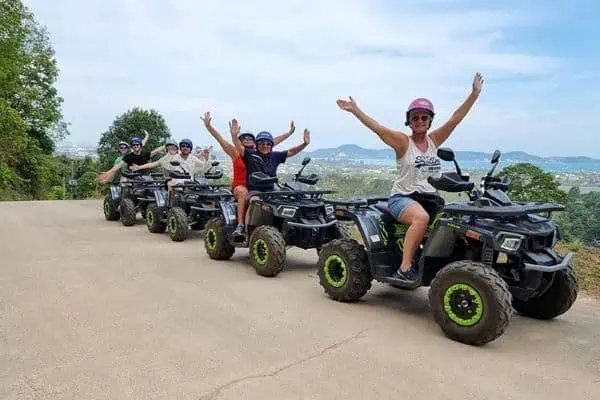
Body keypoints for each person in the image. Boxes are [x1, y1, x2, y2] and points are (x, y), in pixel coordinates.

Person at [336, 72, 484, 281]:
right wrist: (356, 110)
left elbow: (455, 119)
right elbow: (378, 128)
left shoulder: (434, 141)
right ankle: (405, 268)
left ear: (430, 121)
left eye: (424, 117)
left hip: (430, 199)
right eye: (415, 118)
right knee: (420, 218)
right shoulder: (403, 142)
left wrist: (474, 94)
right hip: (403, 198)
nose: (420, 121)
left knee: (459, 219)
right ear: (409, 122)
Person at [200, 111, 295, 239]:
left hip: (258, 185)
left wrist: (289, 133)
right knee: (243, 193)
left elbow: (273, 141)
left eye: (250, 138)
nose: (248, 140)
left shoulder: (259, 153)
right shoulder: (236, 152)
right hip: (241, 185)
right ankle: (240, 226)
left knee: (280, 193)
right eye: (244, 138)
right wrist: (209, 126)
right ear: (239, 141)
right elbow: (220, 140)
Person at [231, 118, 311, 234]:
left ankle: (287, 230)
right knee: (255, 203)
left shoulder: (275, 156)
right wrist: (234, 136)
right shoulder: (250, 154)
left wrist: (304, 144)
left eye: (268, 143)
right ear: (256, 145)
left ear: (271, 145)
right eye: (262, 143)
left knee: (288, 202)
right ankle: (246, 230)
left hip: (272, 191)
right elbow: (239, 147)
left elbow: (292, 152)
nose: (265, 146)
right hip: (255, 191)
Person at [98, 136, 163, 184]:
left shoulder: (145, 154)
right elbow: (118, 166)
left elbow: (156, 151)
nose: (135, 146)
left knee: (155, 189)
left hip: (146, 177)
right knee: (124, 184)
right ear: (132, 147)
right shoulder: (128, 157)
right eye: (133, 145)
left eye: (137, 144)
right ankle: (123, 201)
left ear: (140, 145)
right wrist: (108, 172)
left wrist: (167, 146)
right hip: (133, 178)